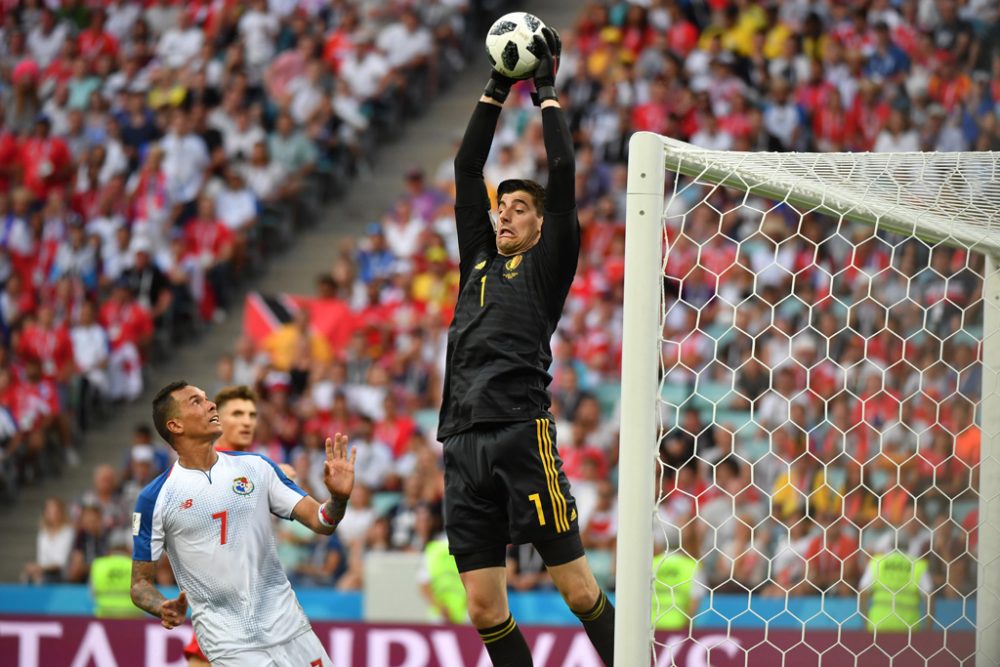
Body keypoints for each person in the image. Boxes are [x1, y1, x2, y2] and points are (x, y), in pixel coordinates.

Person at [437, 29, 614, 666]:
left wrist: (543, 91)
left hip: (519, 429)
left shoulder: (547, 264)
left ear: (542, 224)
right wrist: (493, 88)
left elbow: (562, 170)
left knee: (576, 586)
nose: (505, 214)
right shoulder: (478, 262)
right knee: (484, 608)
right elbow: (465, 169)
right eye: (501, 206)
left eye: (519, 207)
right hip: (459, 439)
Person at [130, 381, 355, 666]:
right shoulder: (155, 498)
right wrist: (160, 605)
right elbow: (139, 584)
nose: (211, 405)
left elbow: (322, 521)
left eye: (207, 398)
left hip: (291, 629)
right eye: (196, 402)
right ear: (175, 426)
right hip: (230, 645)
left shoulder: (257, 467)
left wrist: (338, 498)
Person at [181, 383, 286, 666]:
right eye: (237, 414)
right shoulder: (204, 464)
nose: (247, 422)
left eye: (251, 415)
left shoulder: (255, 466)